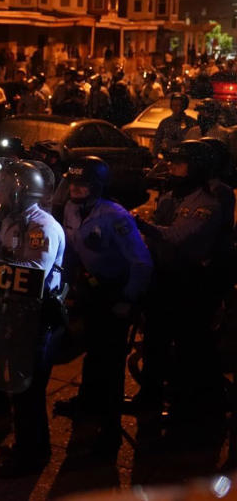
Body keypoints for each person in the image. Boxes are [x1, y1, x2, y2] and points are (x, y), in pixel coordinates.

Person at [0, 161, 65, 477]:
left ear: (21, 190)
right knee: (15, 385)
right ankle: (26, 446)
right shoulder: (11, 220)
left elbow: (32, 273)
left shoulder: (41, 227)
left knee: (29, 390)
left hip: (33, 317)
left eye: (5, 186)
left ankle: (33, 456)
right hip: (9, 313)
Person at [58, 157, 152, 456]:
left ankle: (108, 433)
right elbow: (71, 249)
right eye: (72, 182)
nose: (75, 188)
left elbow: (141, 262)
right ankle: (87, 405)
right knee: (91, 352)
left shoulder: (115, 216)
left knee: (109, 364)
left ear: (97, 187)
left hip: (116, 293)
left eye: (82, 184)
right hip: (89, 289)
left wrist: (127, 299)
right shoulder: (71, 208)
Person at [135, 140, 225, 418]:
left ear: (197, 167)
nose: (172, 168)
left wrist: (139, 223)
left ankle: (191, 405)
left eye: (179, 163)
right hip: (163, 278)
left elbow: (176, 236)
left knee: (189, 342)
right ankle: (149, 395)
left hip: (190, 282)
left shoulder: (207, 204)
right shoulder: (171, 197)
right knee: (154, 340)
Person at [152, 93, 196, 157]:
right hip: (168, 158)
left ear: (184, 106)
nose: (176, 108)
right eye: (173, 105)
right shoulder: (165, 122)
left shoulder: (191, 123)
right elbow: (157, 141)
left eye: (179, 105)